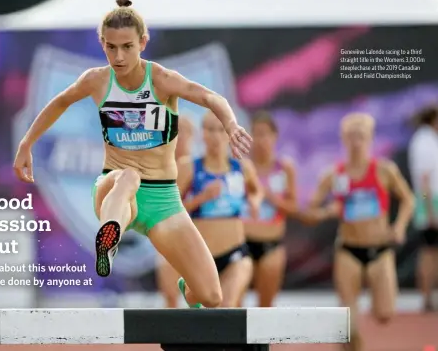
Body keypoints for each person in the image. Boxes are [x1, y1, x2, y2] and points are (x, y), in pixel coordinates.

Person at [12, 0, 252, 309]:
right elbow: (59, 102)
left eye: (126, 46)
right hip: (114, 189)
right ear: (102, 43)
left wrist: (231, 124)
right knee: (128, 176)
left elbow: (208, 96)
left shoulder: (162, 80)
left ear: (143, 42)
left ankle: (186, 286)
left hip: (163, 200)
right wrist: (25, 144)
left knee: (211, 296)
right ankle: (108, 240)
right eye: (111, 47)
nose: (119, 56)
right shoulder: (97, 80)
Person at [298, 113, 415, 351]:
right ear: (343, 140)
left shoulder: (384, 170)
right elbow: (309, 212)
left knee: (385, 314)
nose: (356, 142)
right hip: (348, 251)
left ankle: (373, 302)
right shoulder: (334, 175)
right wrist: (326, 212)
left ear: (370, 139)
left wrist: (400, 226)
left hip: (380, 251)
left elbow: (409, 200)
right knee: (349, 326)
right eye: (350, 137)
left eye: (360, 136)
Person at [176, 112, 262, 307]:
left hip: (235, 251)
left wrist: (255, 202)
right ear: (202, 134)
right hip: (203, 255)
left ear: (229, 134)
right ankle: (189, 290)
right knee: (202, 302)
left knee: (227, 305)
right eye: (210, 130)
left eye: (220, 130)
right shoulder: (189, 167)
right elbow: (172, 210)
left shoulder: (242, 168)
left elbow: (256, 191)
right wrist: (201, 198)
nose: (215, 136)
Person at [243, 111, 298, 307]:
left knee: (265, 308)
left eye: (265, 133)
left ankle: (261, 339)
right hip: (241, 243)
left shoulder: (284, 168)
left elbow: (293, 208)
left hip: (271, 245)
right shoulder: (241, 167)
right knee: (231, 306)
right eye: (255, 133)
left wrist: (271, 197)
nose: (260, 139)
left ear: (274, 137)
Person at [157, 116, 194, 308]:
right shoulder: (162, 168)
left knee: (198, 296)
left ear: (191, 136)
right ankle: (173, 338)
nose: (176, 138)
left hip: (197, 238)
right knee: (170, 295)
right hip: (169, 239)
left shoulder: (198, 167)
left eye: (181, 132)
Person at [408, 105, 438, 312]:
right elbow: (424, 182)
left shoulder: (429, 139)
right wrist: (430, 211)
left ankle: (428, 297)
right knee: (429, 252)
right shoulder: (424, 141)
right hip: (430, 203)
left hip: (431, 201)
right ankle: (426, 298)